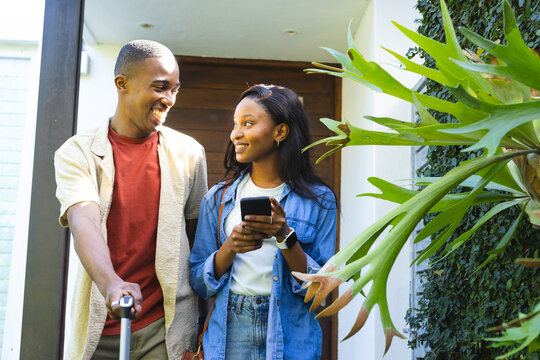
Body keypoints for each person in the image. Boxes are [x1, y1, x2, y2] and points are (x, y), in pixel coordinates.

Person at [54, 40, 207, 360]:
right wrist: (111, 284)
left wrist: (205, 326)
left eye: (175, 89)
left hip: (165, 329)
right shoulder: (78, 153)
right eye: (160, 87)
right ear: (122, 84)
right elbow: (84, 220)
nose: (169, 99)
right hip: (102, 326)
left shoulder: (189, 153)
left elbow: (198, 241)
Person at [190, 84, 337, 359]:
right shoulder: (218, 199)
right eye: (235, 124)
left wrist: (285, 236)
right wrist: (229, 248)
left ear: (280, 132)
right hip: (231, 329)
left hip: (291, 332)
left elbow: (323, 290)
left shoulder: (320, 200)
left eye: (248, 123)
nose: (236, 133)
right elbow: (199, 281)